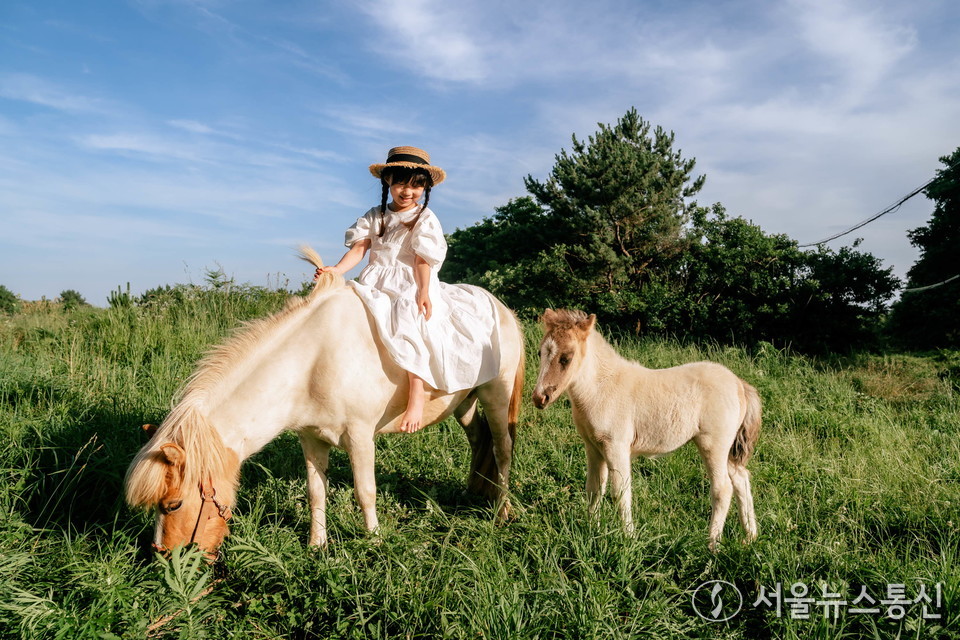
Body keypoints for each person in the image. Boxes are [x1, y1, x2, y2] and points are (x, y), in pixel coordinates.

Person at [316, 146, 501, 433]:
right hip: (374, 280)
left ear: (425, 187)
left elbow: (421, 259)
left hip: (409, 279)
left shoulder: (423, 217)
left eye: (417, 185)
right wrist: (337, 270)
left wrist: (424, 291)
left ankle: (417, 391)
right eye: (401, 183)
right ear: (388, 180)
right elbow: (360, 248)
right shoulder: (375, 215)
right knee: (346, 311)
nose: (408, 191)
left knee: (409, 318)